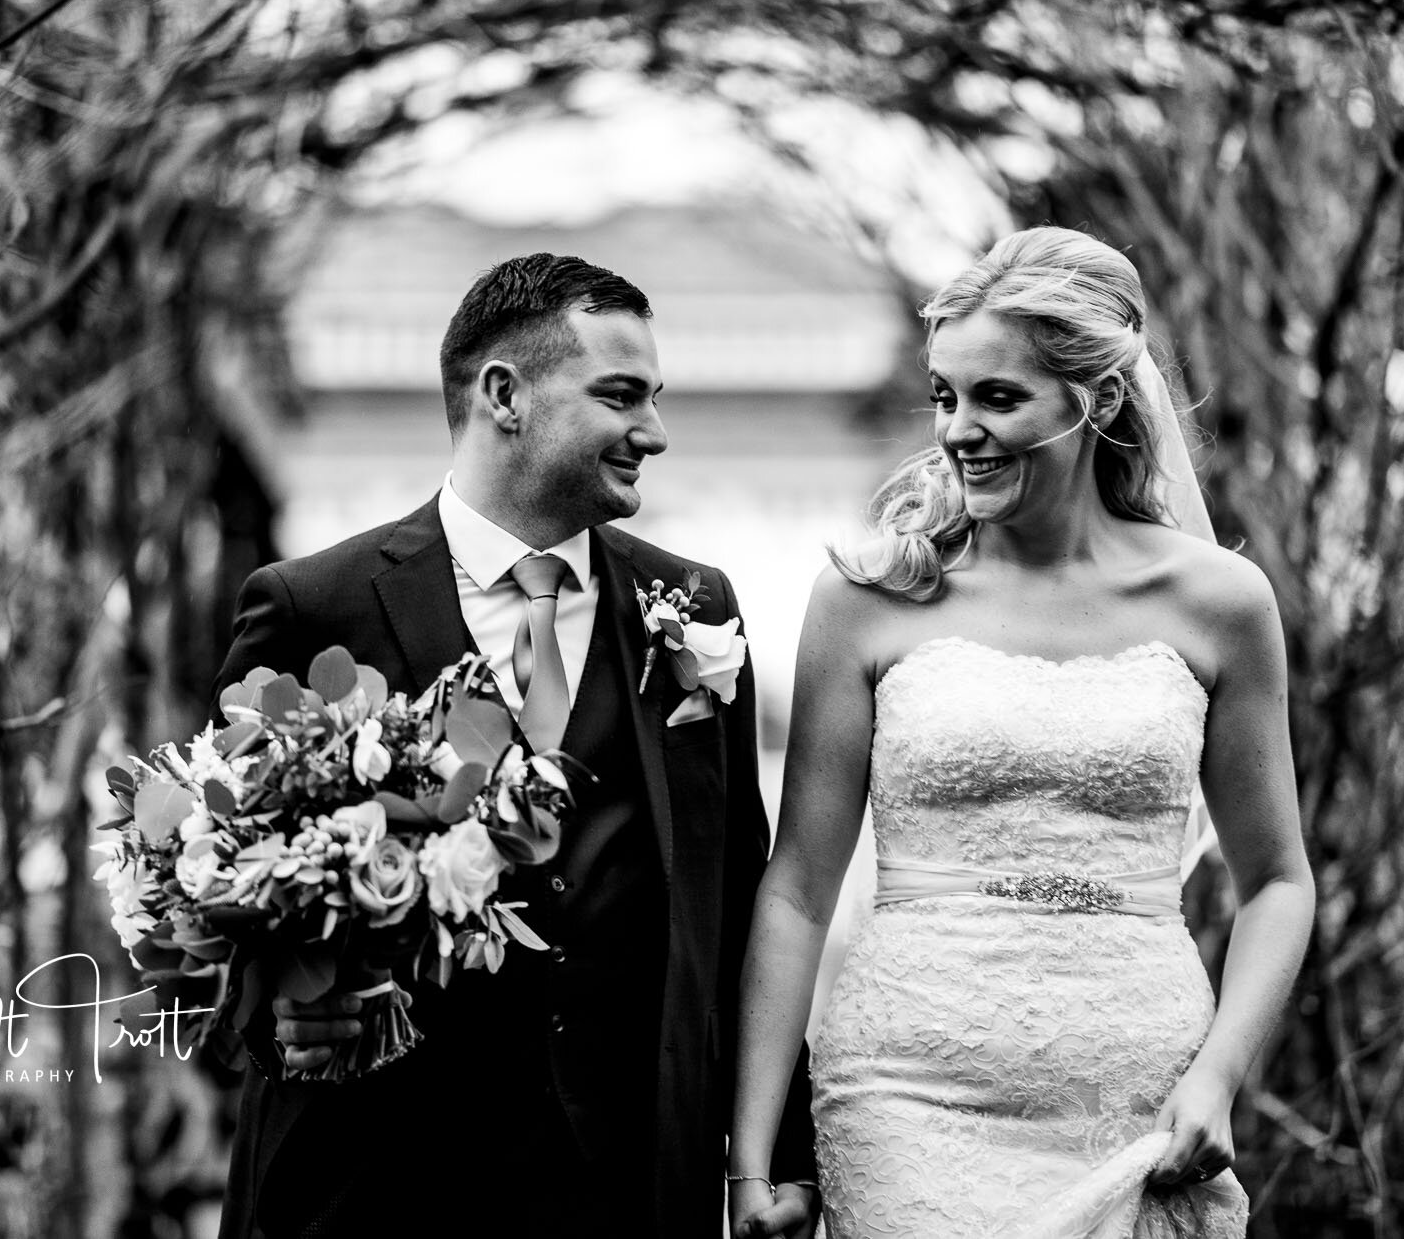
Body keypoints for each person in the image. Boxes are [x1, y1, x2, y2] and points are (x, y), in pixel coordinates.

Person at [213, 254, 818, 1239]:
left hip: (626, 1182)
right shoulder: (312, 605)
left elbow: (741, 894)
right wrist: (275, 1008)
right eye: (620, 396)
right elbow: (227, 881)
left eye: (653, 400)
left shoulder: (696, 609)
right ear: (505, 394)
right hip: (373, 1178)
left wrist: (775, 1148)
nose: (653, 432)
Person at [727, 227, 1315, 1237]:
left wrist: (1217, 1075)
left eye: (997, 397)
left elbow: (1276, 881)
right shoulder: (868, 600)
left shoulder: (1219, 603)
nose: (957, 428)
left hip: (1142, 1096)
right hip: (906, 1098)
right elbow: (794, 889)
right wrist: (747, 1159)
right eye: (945, 395)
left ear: (1092, 400)